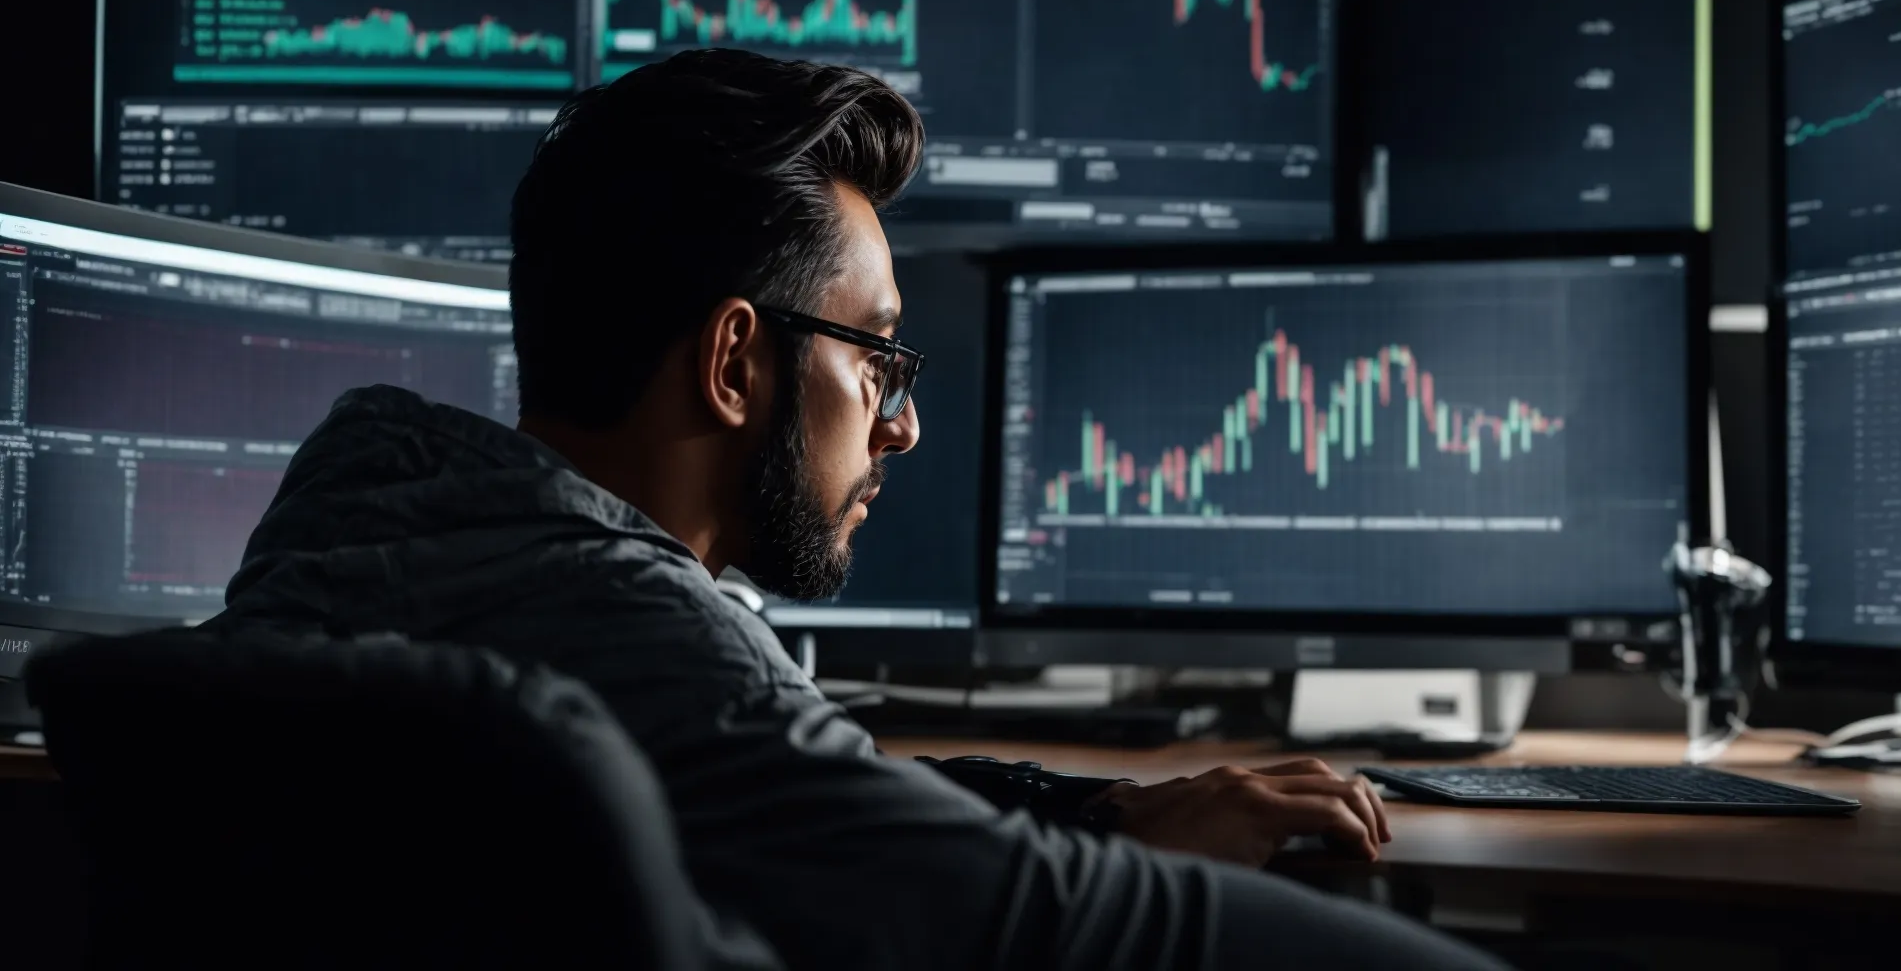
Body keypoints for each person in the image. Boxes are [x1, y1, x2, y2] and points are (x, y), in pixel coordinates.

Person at [203, 49, 1506, 971]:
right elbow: (1025, 926)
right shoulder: (644, 638)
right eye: (877, 354)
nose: (902, 419)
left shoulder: (362, 551)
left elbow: (798, 786)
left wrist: (1101, 811)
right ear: (734, 362)